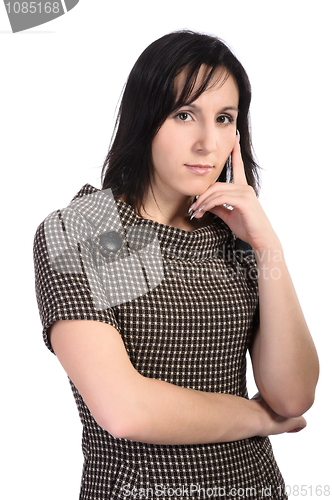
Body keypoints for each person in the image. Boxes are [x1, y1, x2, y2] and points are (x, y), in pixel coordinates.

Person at [33, 30, 319, 499]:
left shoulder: (232, 235)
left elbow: (292, 395)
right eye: (185, 114)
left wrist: (267, 245)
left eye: (225, 118)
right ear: (145, 119)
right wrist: (258, 418)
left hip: (255, 487)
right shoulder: (92, 228)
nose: (208, 142)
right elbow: (127, 411)